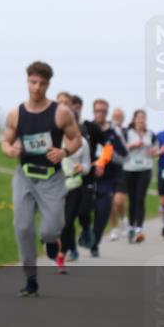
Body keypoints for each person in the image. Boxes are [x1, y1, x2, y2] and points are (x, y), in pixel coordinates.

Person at [1, 62, 81, 297]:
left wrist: (64, 152)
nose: (37, 88)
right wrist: (9, 150)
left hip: (51, 179)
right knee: (23, 227)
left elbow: (75, 139)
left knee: (50, 230)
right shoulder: (16, 113)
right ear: (27, 81)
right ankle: (31, 279)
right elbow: (5, 140)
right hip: (24, 175)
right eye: (33, 82)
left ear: (48, 85)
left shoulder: (60, 113)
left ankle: (50, 240)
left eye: (42, 83)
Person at [86, 99, 128, 257]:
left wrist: (108, 155)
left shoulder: (114, 131)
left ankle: (94, 243)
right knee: (83, 210)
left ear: (107, 112)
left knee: (103, 210)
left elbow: (125, 156)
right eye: (97, 111)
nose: (100, 114)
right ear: (93, 111)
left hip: (108, 178)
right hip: (87, 176)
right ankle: (81, 237)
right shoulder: (86, 128)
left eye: (103, 111)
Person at [56, 92, 91, 269]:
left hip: (74, 185)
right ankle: (63, 247)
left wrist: (82, 168)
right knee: (56, 221)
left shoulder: (83, 142)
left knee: (67, 221)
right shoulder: (53, 136)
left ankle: (62, 254)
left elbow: (87, 165)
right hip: (54, 185)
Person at [70, 95, 103, 251]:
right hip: (68, 177)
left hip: (87, 175)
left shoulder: (90, 127)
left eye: (77, 105)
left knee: (84, 211)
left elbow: (107, 146)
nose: (74, 108)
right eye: (71, 105)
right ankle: (70, 249)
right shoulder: (61, 127)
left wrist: (101, 163)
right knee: (68, 217)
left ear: (81, 107)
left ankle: (87, 231)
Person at [124, 109, 159, 243]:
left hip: (145, 168)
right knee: (132, 200)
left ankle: (139, 229)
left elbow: (156, 150)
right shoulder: (128, 133)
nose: (141, 120)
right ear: (134, 119)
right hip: (129, 168)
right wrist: (132, 145)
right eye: (138, 117)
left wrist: (154, 152)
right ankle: (131, 227)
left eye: (143, 118)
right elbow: (121, 148)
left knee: (140, 198)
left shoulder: (151, 134)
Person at [107, 108, 130, 241]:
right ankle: (114, 228)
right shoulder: (108, 132)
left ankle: (124, 220)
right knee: (110, 202)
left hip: (122, 169)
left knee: (119, 201)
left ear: (123, 118)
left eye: (120, 116)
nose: (117, 118)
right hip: (109, 170)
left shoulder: (127, 133)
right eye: (115, 116)